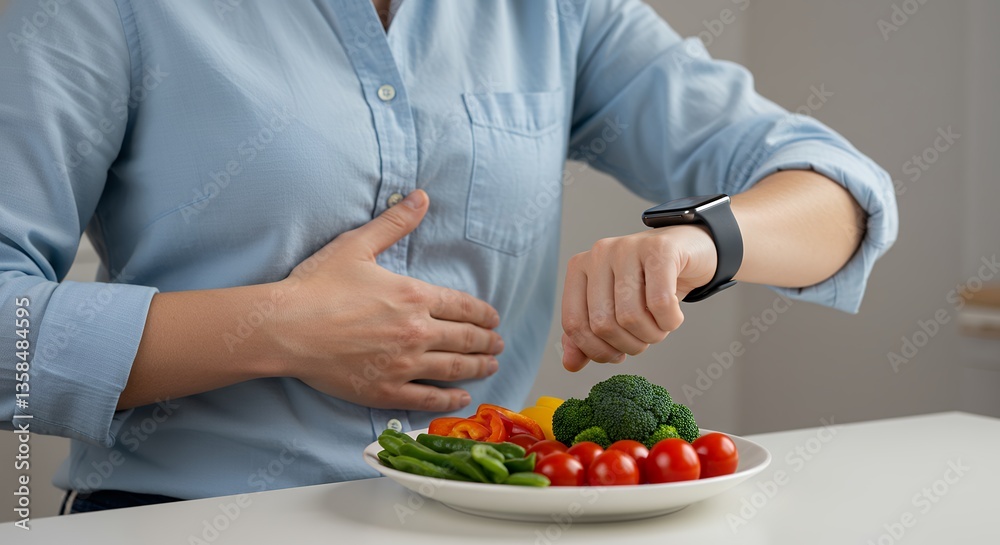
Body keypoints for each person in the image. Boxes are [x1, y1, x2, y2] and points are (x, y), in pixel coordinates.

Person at [0, 0, 897, 513]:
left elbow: (841, 191)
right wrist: (275, 328)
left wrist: (702, 242)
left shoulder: (557, 12)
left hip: (486, 521)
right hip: (185, 520)